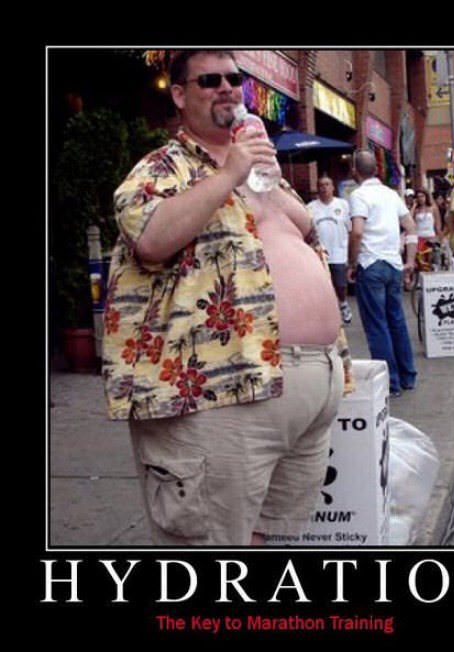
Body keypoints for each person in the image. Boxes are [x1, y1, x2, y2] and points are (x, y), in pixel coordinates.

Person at [102, 49, 354, 546]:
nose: (226, 88)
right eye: (209, 80)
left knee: (263, 539)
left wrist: (261, 173)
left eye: (234, 79)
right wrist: (228, 173)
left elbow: (303, 232)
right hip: (221, 394)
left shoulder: (261, 168)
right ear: (179, 95)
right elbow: (149, 238)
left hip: (308, 386)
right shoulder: (164, 167)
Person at [348, 150, 418, 398]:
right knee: (396, 320)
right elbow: (410, 226)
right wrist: (410, 260)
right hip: (393, 263)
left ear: (355, 171)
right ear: (376, 169)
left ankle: (391, 382)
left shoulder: (358, 195)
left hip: (371, 263)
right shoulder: (391, 194)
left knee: (377, 324)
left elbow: (357, 232)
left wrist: (352, 262)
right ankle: (408, 375)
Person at [307, 175, 353, 324]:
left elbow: (350, 230)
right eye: (321, 185)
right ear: (317, 188)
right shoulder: (311, 207)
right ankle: (328, 312)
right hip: (320, 253)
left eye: (327, 184)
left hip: (339, 251)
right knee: (323, 285)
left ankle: (343, 304)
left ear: (333, 187)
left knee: (340, 284)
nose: (324, 188)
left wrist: (351, 254)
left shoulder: (343, 205)